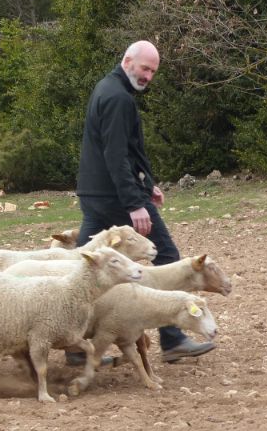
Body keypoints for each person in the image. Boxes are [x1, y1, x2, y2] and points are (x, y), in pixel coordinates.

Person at [73, 40, 215, 363]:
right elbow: (115, 155)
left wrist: (147, 185)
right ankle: (173, 338)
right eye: (144, 68)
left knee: (83, 267)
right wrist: (135, 203)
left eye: (153, 71)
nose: (148, 76)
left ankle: (75, 347)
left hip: (94, 193)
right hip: (115, 197)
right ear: (127, 61)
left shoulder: (107, 89)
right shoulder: (118, 98)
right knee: (167, 255)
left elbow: (121, 150)